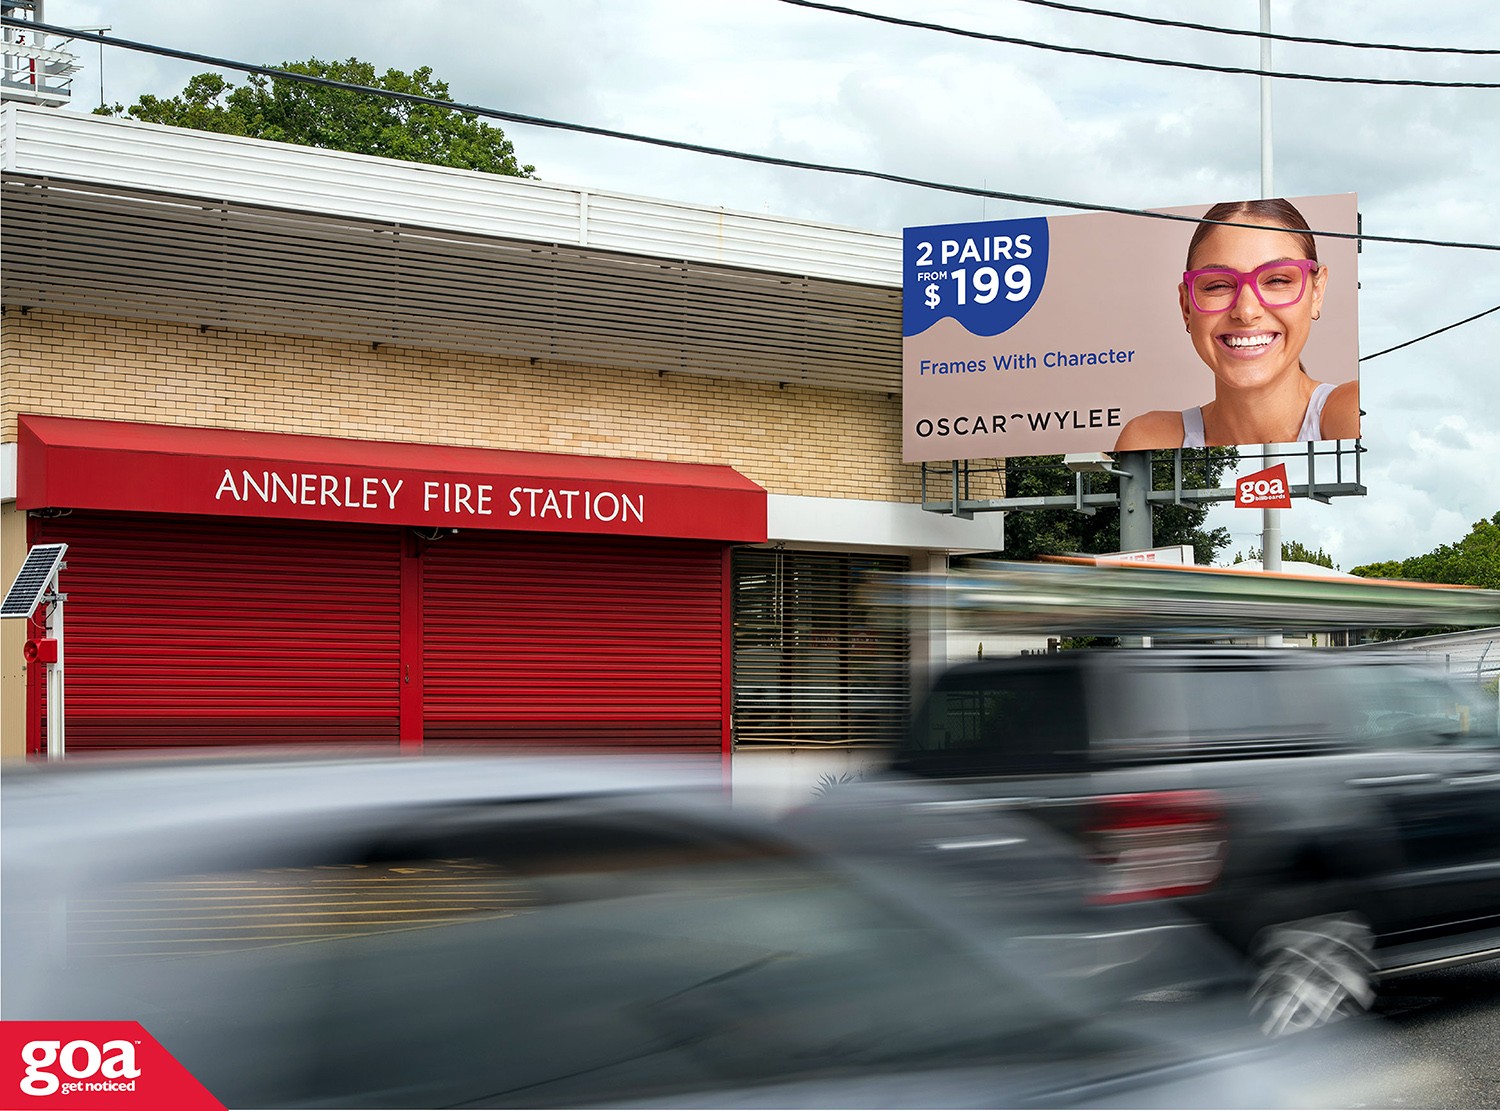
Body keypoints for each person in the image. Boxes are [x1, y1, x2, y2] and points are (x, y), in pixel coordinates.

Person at [1114, 198, 1358, 450]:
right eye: (1218, 286)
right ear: (1186, 306)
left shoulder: (1350, 408)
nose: (1246, 312)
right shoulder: (1147, 438)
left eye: (1277, 280)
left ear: (1316, 293)